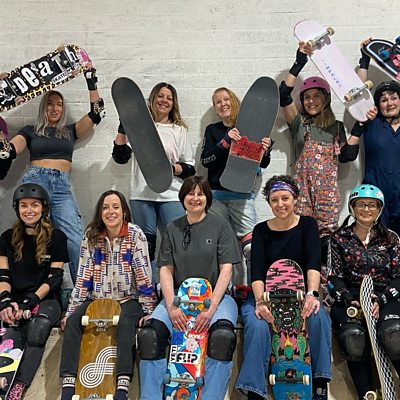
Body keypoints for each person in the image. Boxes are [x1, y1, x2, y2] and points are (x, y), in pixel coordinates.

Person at [138, 176, 241, 400]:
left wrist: (210, 309)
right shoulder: (172, 228)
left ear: (207, 198)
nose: (195, 198)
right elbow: (165, 270)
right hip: (178, 297)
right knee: (149, 335)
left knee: (222, 338)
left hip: (217, 297)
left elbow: (226, 270)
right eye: (190, 194)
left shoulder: (220, 226)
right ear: (182, 197)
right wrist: (171, 306)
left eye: (200, 194)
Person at [0, 65, 105, 284]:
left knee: (75, 238)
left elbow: (97, 113)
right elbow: (10, 150)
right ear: (43, 107)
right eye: (50, 103)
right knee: (31, 236)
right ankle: (30, 289)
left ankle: (81, 292)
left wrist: (90, 79)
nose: (54, 108)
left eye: (59, 104)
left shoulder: (70, 131)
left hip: (61, 188)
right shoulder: (30, 131)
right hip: (35, 183)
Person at [235, 175, 332, 400]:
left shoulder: (308, 225)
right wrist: (260, 302)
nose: (280, 204)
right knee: (257, 324)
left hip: (301, 294)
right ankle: (254, 390)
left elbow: (313, 263)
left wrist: (312, 294)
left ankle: (319, 383)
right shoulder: (261, 230)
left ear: (295, 199)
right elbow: (257, 271)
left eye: (285, 198)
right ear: (269, 203)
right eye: (274, 200)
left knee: (318, 317)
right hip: (265, 295)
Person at [59, 190, 157, 400]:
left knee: (125, 323)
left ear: (124, 212)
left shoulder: (135, 235)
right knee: (74, 322)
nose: (110, 212)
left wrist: (149, 310)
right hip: (96, 299)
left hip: (128, 299)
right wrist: (71, 311)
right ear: (100, 212)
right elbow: (83, 277)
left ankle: (122, 385)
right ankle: (68, 385)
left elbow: (143, 275)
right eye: (105, 207)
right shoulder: (91, 236)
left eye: (115, 207)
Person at [278, 42, 363, 262]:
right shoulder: (298, 123)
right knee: (301, 238)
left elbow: (347, 156)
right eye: (307, 97)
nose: (311, 101)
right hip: (302, 193)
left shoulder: (336, 127)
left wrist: (360, 125)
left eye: (317, 96)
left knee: (326, 246)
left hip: (327, 195)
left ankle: (326, 281)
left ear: (325, 98)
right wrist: (299, 61)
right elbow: (284, 94)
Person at [112, 82, 195, 277]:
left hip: (171, 195)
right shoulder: (138, 127)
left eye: (169, 98)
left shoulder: (179, 130)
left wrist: (169, 169)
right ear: (152, 99)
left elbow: (190, 168)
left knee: (177, 244)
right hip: (142, 194)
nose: (164, 100)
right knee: (145, 247)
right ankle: (147, 287)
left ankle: (175, 286)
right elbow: (120, 157)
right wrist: (123, 127)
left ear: (173, 103)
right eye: (160, 96)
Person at [328, 184, 400, 400]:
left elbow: (399, 276)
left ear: (379, 209)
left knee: (393, 334)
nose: (366, 209)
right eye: (361, 204)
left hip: (385, 294)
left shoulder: (391, 239)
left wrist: (382, 299)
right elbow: (333, 277)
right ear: (352, 208)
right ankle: (365, 394)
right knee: (353, 338)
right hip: (351, 296)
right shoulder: (339, 238)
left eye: (372, 205)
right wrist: (349, 299)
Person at [0, 183, 68, 400]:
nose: (29, 210)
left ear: (43, 208)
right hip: (15, 299)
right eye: (24, 206)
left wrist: (30, 301)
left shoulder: (57, 237)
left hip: (46, 299)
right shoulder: (7, 238)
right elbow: (3, 277)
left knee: (38, 328)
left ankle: (19, 386)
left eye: (34, 205)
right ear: (17, 209)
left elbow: (55, 278)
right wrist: (5, 302)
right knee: (11, 327)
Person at [200, 87, 273, 284]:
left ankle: (253, 290)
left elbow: (263, 164)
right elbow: (206, 161)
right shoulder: (213, 130)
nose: (223, 104)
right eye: (218, 102)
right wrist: (225, 142)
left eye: (226, 99)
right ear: (215, 108)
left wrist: (265, 150)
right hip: (217, 197)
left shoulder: (251, 128)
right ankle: (225, 290)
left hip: (242, 196)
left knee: (250, 247)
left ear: (234, 101)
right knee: (220, 247)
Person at [348, 40, 400, 236]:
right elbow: (358, 93)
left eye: (394, 97)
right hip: (375, 199)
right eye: (384, 100)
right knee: (377, 246)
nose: (389, 103)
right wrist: (365, 57)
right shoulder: (371, 122)